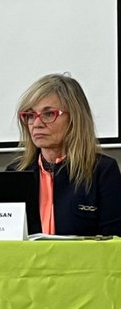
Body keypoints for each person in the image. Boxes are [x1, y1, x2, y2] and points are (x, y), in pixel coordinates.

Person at [8, 73, 121, 236]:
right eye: (30, 115)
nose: (37, 124)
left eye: (48, 114)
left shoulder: (102, 171)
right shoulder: (15, 173)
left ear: (75, 118)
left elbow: (114, 244)